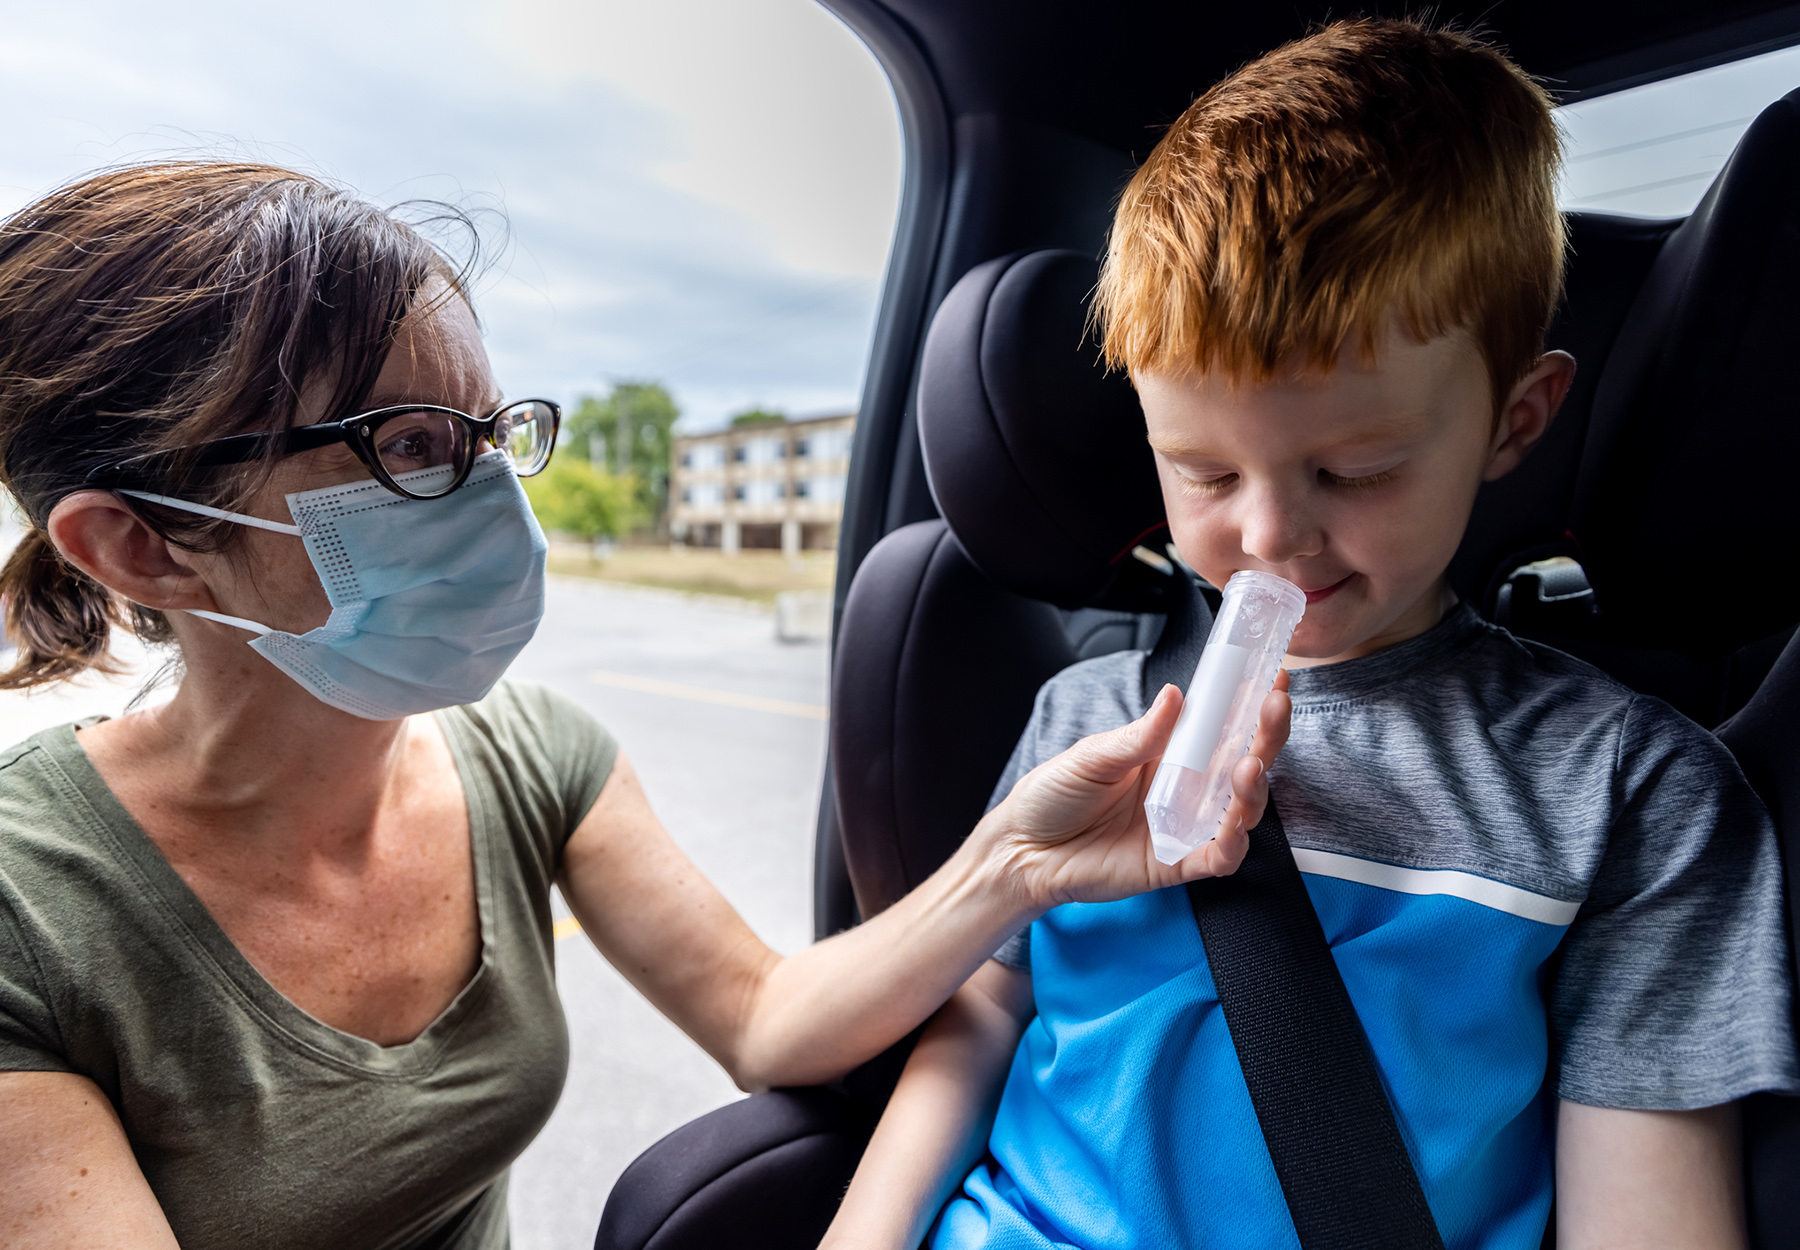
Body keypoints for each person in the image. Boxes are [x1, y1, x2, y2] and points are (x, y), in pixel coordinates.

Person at [0, 163, 1289, 1250]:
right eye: (406, 445)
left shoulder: (533, 755)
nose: (492, 496)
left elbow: (765, 1016)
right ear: (138, 546)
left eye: (488, 431)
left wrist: (1018, 862)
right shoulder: (30, 904)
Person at [821, 19, 1799, 1250]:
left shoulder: (1628, 792)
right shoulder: (1086, 715)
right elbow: (980, 1024)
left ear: (1515, 420)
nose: (1271, 538)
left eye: (1357, 467)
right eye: (1203, 470)